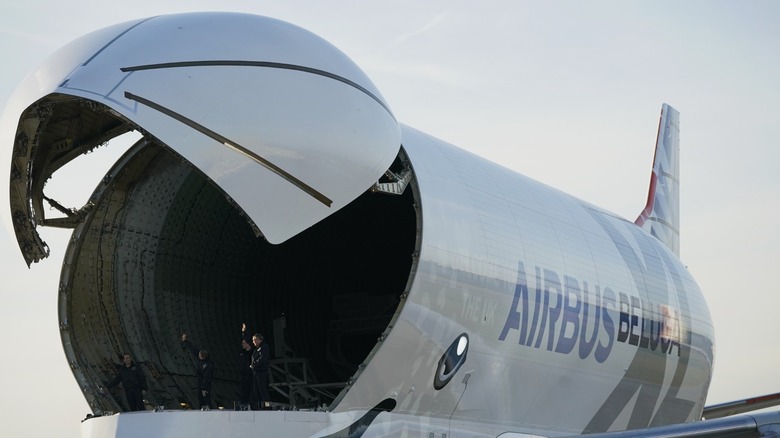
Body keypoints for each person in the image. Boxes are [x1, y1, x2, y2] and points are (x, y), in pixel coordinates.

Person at [180, 333, 215, 410]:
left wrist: (204, 387)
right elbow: (193, 349)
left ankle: (209, 408)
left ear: (203, 357)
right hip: (200, 380)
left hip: (205, 383)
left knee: (205, 395)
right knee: (200, 396)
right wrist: (185, 341)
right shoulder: (200, 356)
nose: (198, 356)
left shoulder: (208, 365)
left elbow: (207, 377)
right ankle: (201, 408)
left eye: (199, 356)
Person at [237, 323, 255, 410]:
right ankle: (243, 404)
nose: (242, 345)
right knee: (243, 390)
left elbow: (248, 339)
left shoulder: (252, 351)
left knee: (252, 390)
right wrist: (243, 332)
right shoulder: (242, 352)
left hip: (251, 374)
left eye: (244, 343)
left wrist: (244, 332)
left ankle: (252, 404)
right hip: (243, 374)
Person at [250, 332, 270, 409]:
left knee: (263, 391)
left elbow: (262, 359)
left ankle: (267, 406)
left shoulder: (264, 347)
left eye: (254, 340)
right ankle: (259, 407)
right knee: (256, 391)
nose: (253, 342)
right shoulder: (256, 349)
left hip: (262, 372)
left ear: (259, 340)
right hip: (256, 372)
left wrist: (254, 364)